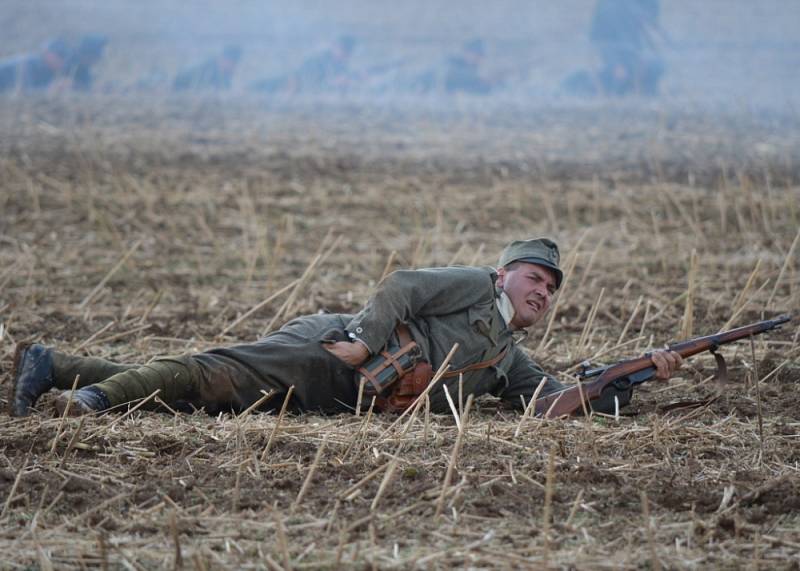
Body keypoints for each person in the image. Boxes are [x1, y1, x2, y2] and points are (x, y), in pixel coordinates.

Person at [8, 238, 682, 418]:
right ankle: (89, 401)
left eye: (553, 287)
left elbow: (550, 404)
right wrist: (362, 337)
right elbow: (401, 286)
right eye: (535, 276)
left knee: (201, 396)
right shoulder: (475, 285)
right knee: (209, 370)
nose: (543, 290)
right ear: (507, 272)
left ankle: (54, 364)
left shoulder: (509, 355)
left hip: (343, 397)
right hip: (329, 351)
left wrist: (629, 379)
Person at [563, 0, 664, 97]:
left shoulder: (631, 7)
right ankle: (584, 86)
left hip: (630, 52)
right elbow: (601, 38)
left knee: (657, 65)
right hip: (613, 51)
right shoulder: (610, 5)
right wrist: (616, 63)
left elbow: (647, 20)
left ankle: (642, 93)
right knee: (622, 75)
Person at [250, 36, 355, 94]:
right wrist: (333, 82)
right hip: (295, 82)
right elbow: (311, 81)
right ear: (336, 48)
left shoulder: (340, 65)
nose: (344, 56)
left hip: (299, 86)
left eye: (347, 54)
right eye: (343, 52)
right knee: (266, 87)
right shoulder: (319, 60)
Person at [0, 38, 70, 93]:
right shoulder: (27, 64)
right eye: (60, 57)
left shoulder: (47, 69)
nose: (62, 63)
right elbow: (25, 91)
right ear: (48, 54)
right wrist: (49, 89)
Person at [173, 45, 242, 91]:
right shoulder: (206, 71)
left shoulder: (224, 75)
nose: (233, 68)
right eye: (232, 63)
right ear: (223, 59)